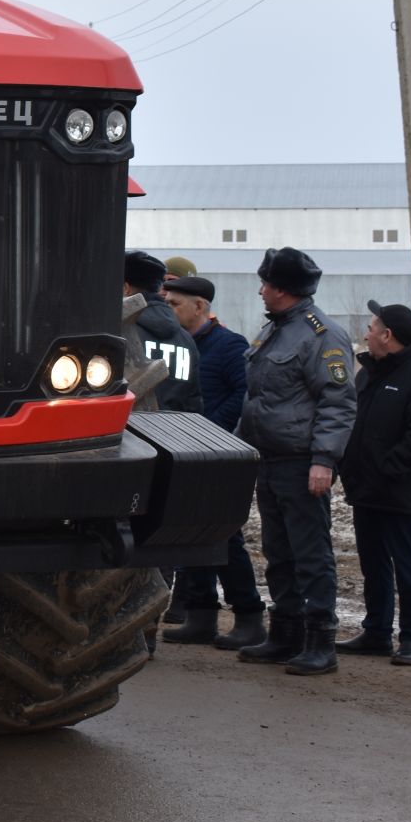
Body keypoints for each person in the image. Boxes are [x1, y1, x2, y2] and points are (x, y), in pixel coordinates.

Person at [235, 246, 356, 676]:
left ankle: (320, 640)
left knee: (310, 553)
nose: (261, 290)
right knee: (278, 552)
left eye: (266, 283)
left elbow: (338, 402)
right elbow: (259, 399)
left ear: (283, 289)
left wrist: (324, 460)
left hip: (301, 461)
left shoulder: (321, 335)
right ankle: (285, 633)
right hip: (269, 459)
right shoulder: (275, 331)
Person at [160, 275, 267, 649]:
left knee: (224, 538)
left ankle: (249, 615)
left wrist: (208, 430)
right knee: (189, 534)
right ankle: (200, 615)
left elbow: (244, 394)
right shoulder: (176, 345)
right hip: (184, 455)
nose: (168, 309)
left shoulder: (228, 345)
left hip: (219, 456)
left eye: (174, 303)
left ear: (200, 307)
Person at [336, 301, 411, 666]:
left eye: (371, 326)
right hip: (365, 489)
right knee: (373, 563)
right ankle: (377, 632)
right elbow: (353, 423)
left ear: (387, 335)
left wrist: (385, 469)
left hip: (397, 491)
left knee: (407, 564)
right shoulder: (368, 372)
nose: (366, 333)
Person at [125, 251, 202, 416]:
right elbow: (193, 403)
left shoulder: (118, 333)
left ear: (126, 289)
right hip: (171, 435)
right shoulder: (186, 339)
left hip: (126, 433)